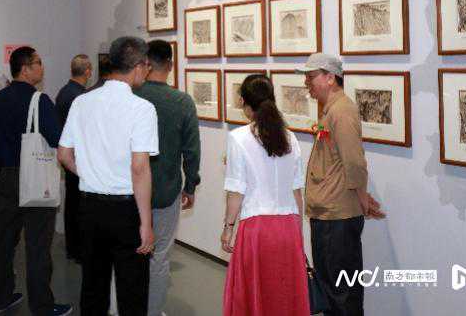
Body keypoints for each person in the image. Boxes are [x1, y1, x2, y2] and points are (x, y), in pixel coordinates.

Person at [58, 36, 158, 316]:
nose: (147, 72)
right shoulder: (142, 108)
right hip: (126, 210)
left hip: (89, 207)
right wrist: (146, 223)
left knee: (93, 286)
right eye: (147, 66)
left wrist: (89, 173)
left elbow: (64, 155)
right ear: (138, 67)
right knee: (132, 290)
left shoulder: (81, 102)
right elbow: (139, 168)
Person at [0, 46, 72, 316]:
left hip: (3, 178)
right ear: (26, 69)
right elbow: (57, 138)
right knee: (38, 245)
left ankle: (2, 298)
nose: (42, 67)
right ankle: (42, 306)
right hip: (35, 177)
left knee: (3, 242)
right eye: (38, 62)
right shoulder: (39, 101)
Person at [297, 53, 384, 316]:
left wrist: (362, 198)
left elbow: (354, 162)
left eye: (311, 76)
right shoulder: (331, 110)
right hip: (329, 215)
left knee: (342, 292)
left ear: (330, 78)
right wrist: (361, 196)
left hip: (338, 218)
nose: (306, 82)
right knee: (331, 289)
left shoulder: (342, 111)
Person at [220, 74, 309, 315]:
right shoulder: (290, 138)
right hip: (288, 227)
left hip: (257, 230)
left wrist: (228, 227)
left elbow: (236, 192)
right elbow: (297, 192)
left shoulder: (238, 138)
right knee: (284, 296)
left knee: (255, 295)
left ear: (243, 102)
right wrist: (298, 232)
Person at [134, 40, 200, 316]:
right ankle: (153, 311)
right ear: (171, 65)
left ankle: (122, 307)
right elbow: (192, 150)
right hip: (166, 191)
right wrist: (190, 185)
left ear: (146, 63)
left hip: (130, 192)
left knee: (127, 254)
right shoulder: (182, 102)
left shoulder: (133, 96)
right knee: (159, 258)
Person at [54, 54, 93, 261]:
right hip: (78, 158)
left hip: (68, 154)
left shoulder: (64, 92)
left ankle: (72, 247)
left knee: (72, 203)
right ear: (87, 71)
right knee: (80, 205)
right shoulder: (80, 97)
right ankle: (79, 250)